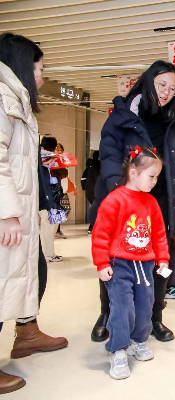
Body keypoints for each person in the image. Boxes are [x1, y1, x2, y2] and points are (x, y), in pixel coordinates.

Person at [90, 60, 175, 343]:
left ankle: (155, 317)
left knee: (162, 259)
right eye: (162, 85)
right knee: (117, 256)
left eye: (172, 89)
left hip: (161, 201)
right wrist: (117, 190)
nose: (166, 92)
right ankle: (107, 314)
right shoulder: (124, 115)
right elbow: (109, 154)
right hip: (124, 199)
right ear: (148, 81)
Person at [0, 33, 68, 395]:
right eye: (39, 69)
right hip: (7, 214)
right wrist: (8, 213)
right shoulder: (1, 96)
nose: (42, 76)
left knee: (32, 270)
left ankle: (27, 333)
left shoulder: (17, 100)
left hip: (22, 209)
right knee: (2, 280)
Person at [92, 147, 169, 380]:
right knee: (122, 306)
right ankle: (117, 348)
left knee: (146, 305)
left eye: (157, 177)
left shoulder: (151, 203)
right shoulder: (114, 200)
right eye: (151, 176)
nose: (155, 182)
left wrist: (163, 258)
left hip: (144, 266)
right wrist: (102, 263)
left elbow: (159, 234)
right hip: (119, 264)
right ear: (133, 174)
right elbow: (101, 234)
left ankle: (138, 341)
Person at [39, 135, 63, 262]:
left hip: (43, 198)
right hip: (48, 199)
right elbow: (63, 173)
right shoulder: (49, 159)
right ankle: (48, 254)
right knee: (49, 228)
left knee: (46, 228)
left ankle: (46, 254)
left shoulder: (38, 157)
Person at [82, 150, 101, 233]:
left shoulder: (89, 167)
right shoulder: (97, 166)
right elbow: (97, 178)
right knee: (97, 208)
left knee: (94, 208)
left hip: (89, 191)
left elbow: (83, 179)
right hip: (95, 191)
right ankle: (92, 226)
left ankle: (92, 226)